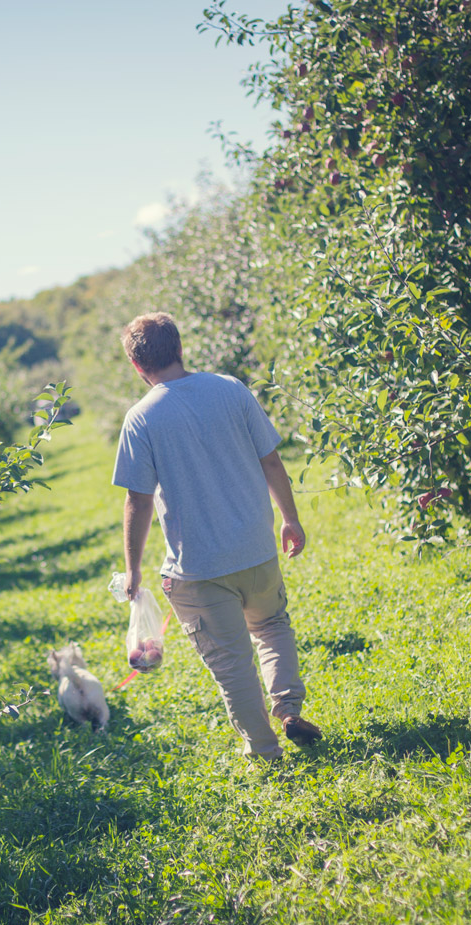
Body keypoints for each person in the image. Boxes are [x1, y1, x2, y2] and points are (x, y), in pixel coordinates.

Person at [111, 312, 321, 760]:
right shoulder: (230, 389)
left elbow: (139, 500)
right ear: (181, 348)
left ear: (136, 365)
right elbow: (271, 461)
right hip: (256, 549)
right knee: (271, 626)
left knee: (232, 665)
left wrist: (132, 568)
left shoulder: (140, 419)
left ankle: (264, 752)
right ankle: (287, 710)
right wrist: (290, 518)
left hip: (199, 568)